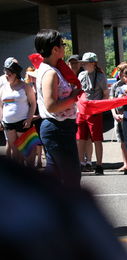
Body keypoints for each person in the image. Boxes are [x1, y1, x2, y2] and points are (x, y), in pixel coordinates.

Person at [34, 29, 81, 188]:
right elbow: (51, 105)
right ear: (54, 49)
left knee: (55, 175)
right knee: (71, 177)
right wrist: (74, 96)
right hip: (58, 128)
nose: (64, 47)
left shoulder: (49, 69)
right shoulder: (50, 73)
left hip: (58, 128)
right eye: (62, 44)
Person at [77, 52, 108, 175]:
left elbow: (106, 94)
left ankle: (99, 165)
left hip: (94, 112)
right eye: (83, 63)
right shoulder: (81, 75)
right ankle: (80, 163)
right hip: (81, 111)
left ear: (93, 63)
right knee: (80, 138)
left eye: (86, 63)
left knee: (97, 139)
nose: (83, 65)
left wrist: (100, 106)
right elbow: (78, 92)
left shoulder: (100, 77)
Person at [0, 58, 36, 164]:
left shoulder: (25, 86)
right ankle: (21, 176)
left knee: (28, 151)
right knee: (15, 151)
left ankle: (30, 175)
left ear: (15, 74)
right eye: (6, 74)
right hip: (8, 124)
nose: (7, 76)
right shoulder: (3, 88)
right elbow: (0, 105)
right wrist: (1, 120)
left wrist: (29, 119)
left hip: (23, 122)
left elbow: (33, 103)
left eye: (9, 74)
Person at [110, 62, 127, 172]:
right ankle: (125, 164)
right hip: (118, 117)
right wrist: (114, 114)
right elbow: (112, 102)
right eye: (122, 73)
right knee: (122, 142)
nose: (123, 75)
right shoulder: (115, 86)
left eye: (125, 73)